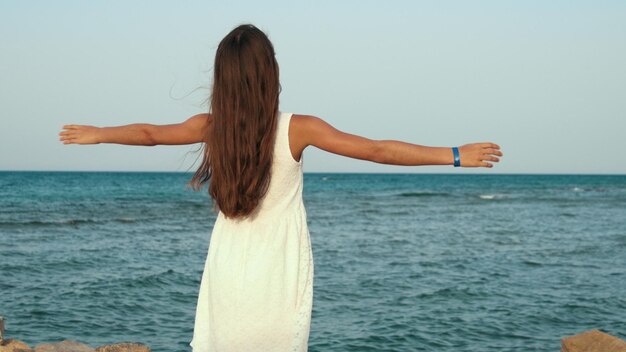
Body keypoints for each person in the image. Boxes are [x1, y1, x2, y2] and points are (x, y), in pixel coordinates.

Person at [59, 24, 502, 352]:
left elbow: (150, 133)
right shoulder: (297, 129)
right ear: (269, 72)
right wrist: (454, 154)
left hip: (228, 266)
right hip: (278, 267)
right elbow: (376, 150)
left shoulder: (213, 128)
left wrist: (98, 133)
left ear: (223, 77)